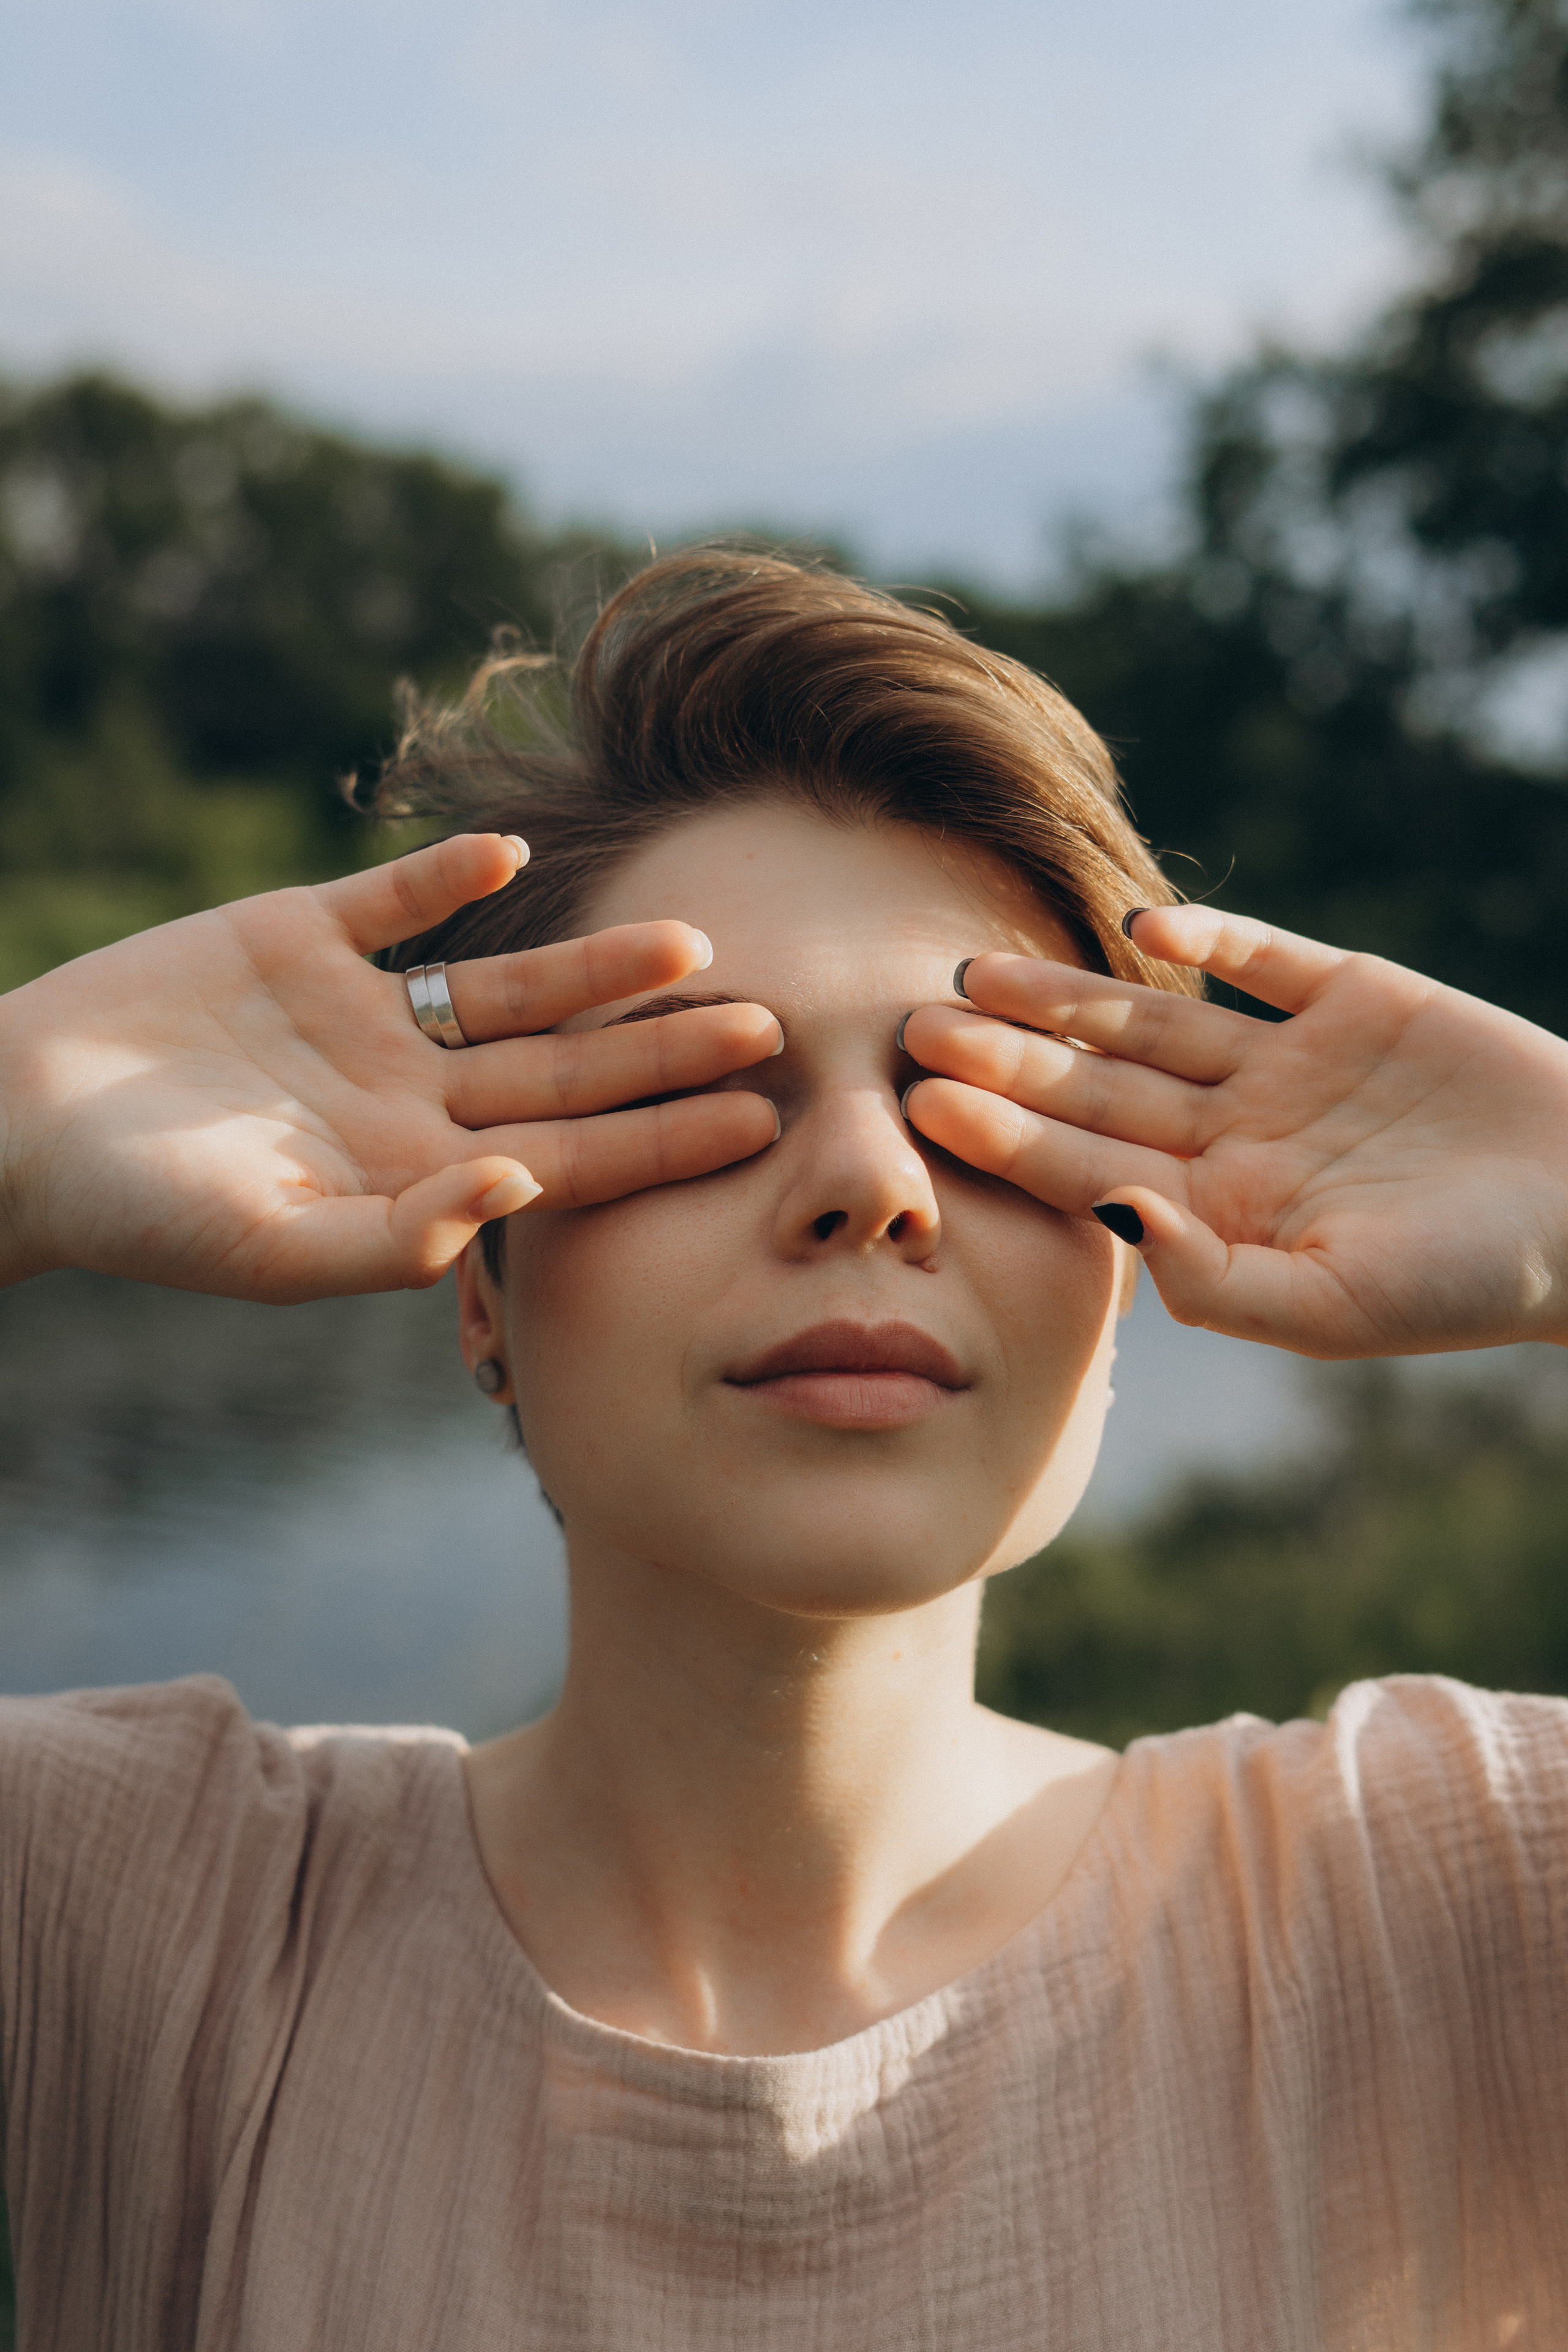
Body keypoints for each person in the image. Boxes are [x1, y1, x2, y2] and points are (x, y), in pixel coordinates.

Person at [1, 547, 1565, 2347]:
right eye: (694, 1095)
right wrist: (21, 1131)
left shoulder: (1450, 1901)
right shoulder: (144, 1924)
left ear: (1121, 1280)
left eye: (984, 1112)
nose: (871, 1187)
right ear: (481, 1299)